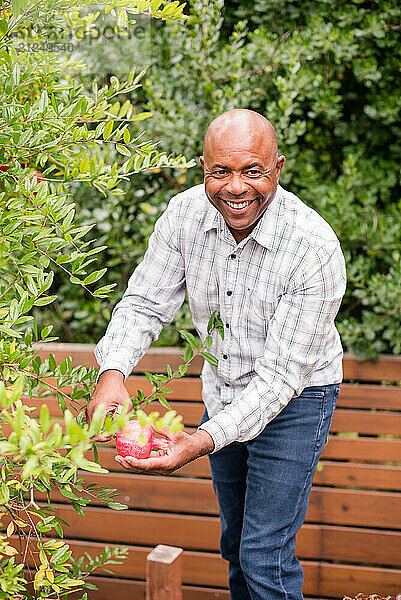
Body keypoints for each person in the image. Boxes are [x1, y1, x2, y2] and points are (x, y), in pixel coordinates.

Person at [86, 109, 346, 599]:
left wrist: (200, 440)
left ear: (278, 168)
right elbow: (145, 301)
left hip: (296, 399)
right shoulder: (184, 216)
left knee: (264, 553)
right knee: (236, 545)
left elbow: (278, 380)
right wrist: (113, 370)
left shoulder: (312, 247)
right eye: (219, 172)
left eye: (252, 171)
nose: (235, 187)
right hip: (223, 390)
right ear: (203, 168)